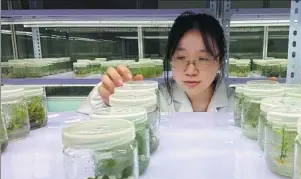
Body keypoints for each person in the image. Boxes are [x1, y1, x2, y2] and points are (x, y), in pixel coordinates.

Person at [78, 11, 234, 114]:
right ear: (170, 58)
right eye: (181, 58)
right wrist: (110, 97)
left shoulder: (238, 103)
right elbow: (86, 123)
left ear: (219, 61)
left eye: (203, 58)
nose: (191, 71)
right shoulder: (154, 99)